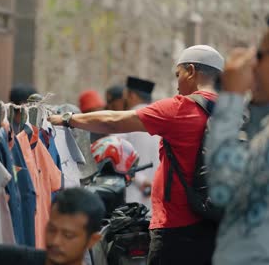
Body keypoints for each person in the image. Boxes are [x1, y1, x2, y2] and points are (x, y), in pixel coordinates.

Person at [49, 45, 225, 265]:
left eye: (178, 75)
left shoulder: (180, 108)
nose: (177, 85)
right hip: (220, 228)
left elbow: (114, 121)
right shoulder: (235, 112)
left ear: (190, 70)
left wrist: (68, 119)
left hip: (177, 229)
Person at [205, 10, 269, 265]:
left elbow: (224, 187)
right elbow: (260, 173)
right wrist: (258, 107)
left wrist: (231, 97)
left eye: (261, 55)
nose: (254, 65)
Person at [0, 188, 106, 265]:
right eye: (51, 230)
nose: (55, 241)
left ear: (92, 240)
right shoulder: (8, 258)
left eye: (68, 235)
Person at [115, 76, 160, 212]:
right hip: (157, 197)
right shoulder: (162, 119)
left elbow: (114, 153)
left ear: (132, 95)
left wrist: (139, 179)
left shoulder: (126, 119)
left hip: (132, 196)